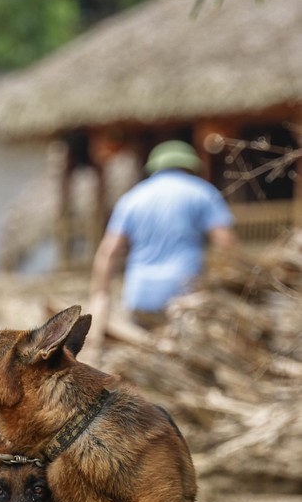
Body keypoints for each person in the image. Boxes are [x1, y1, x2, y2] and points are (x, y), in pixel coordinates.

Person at [86, 139, 237, 354]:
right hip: (185, 294)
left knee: (145, 356)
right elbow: (225, 243)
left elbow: (109, 251)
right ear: (191, 166)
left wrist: (99, 293)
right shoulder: (203, 192)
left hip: (139, 294)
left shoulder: (132, 198)